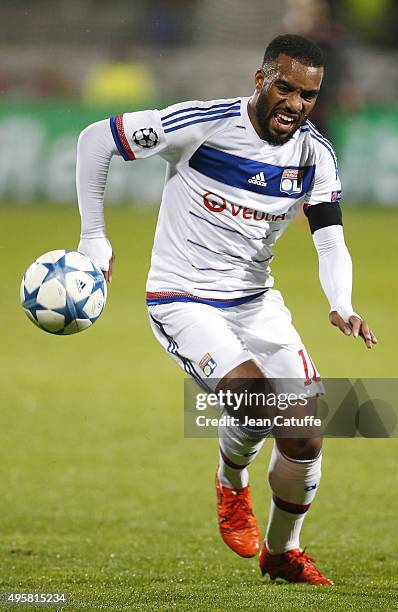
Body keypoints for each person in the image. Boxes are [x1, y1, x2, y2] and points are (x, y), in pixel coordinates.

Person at [76, 34, 377, 586]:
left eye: (308, 96)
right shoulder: (203, 124)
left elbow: (329, 237)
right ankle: (230, 480)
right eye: (285, 88)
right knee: (256, 399)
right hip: (181, 298)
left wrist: (342, 304)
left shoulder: (316, 155)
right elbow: (98, 139)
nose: (294, 104)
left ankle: (283, 552)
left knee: (306, 435)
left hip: (256, 302)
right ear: (261, 79)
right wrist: (93, 237)